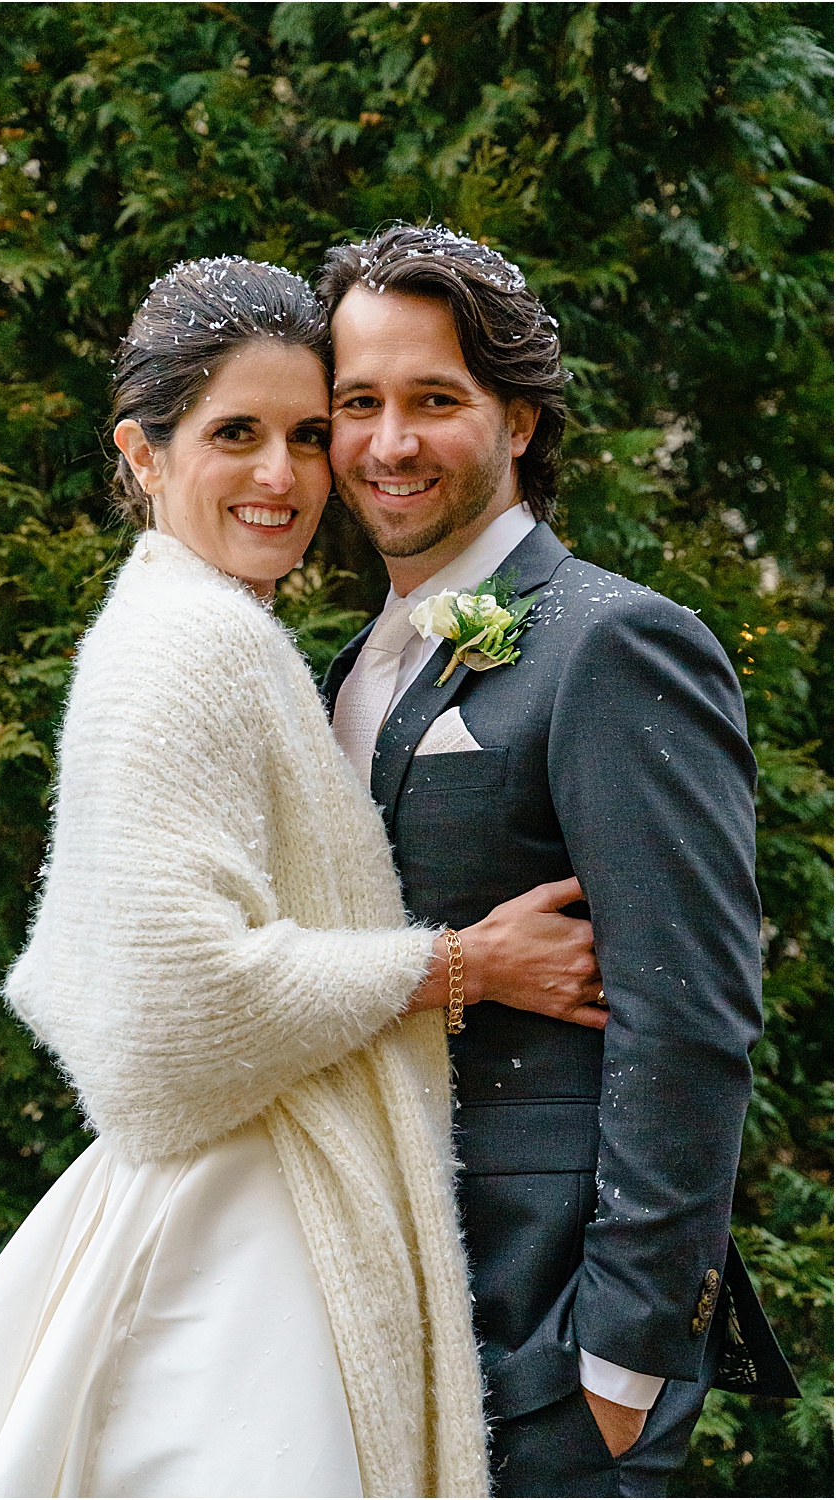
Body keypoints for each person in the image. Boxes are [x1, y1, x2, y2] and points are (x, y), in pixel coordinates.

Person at [0, 258, 611, 1500]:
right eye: (234, 434)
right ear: (142, 456)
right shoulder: (186, 645)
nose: (282, 475)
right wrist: (461, 963)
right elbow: (172, 1001)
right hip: (246, 1235)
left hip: (268, 1186)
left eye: (309, 434)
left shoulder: (220, 628)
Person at [317, 224, 797, 1497]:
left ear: (517, 419)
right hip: (378, 1308)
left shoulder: (615, 642)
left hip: (551, 1332)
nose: (390, 442)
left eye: (434, 400)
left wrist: (624, 1357)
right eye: (357, 403)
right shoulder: (340, 669)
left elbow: (689, 1014)